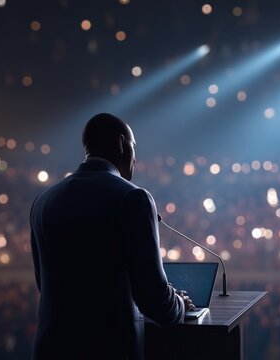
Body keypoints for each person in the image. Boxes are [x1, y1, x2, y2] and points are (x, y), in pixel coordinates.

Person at [29, 113, 193, 359]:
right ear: (120, 144)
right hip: (109, 350)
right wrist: (179, 304)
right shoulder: (133, 198)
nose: (135, 158)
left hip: (50, 350)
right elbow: (153, 298)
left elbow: (45, 283)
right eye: (133, 146)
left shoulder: (42, 201)